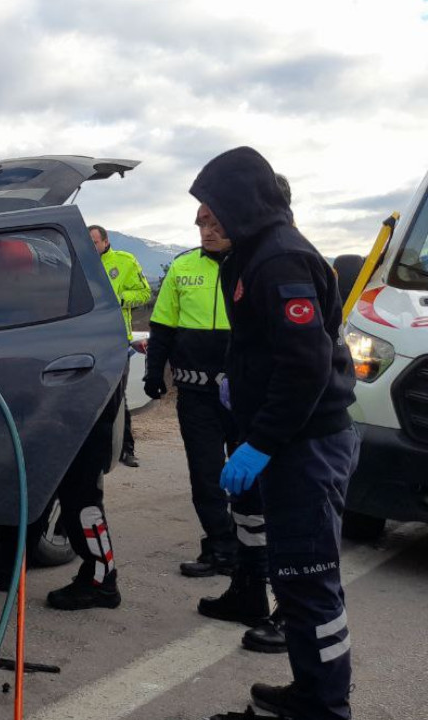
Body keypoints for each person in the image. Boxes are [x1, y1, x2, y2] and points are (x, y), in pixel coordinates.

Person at [193, 148, 358, 720]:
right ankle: (311, 692)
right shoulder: (253, 255)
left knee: (310, 584)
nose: (200, 222)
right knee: (294, 581)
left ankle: (325, 708)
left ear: (240, 206)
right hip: (292, 441)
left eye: (209, 212)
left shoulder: (279, 259)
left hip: (305, 445)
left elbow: (306, 363)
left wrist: (260, 440)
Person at [144, 228, 238, 577]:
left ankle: (253, 550)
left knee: (249, 478)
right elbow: (162, 327)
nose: (208, 232)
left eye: (216, 224)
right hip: (196, 394)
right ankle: (221, 548)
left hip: (245, 395)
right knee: (205, 475)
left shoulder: (255, 266)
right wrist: (154, 374)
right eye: (201, 225)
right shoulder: (182, 266)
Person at [90, 224, 151, 467]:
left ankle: (126, 449)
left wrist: (121, 299)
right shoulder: (78, 261)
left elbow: (144, 293)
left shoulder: (125, 261)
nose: (92, 246)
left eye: (95, 242)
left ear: (105, 242)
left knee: (117, 397)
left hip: (115, 340)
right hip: (86, 340)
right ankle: (96, 452)